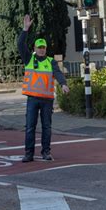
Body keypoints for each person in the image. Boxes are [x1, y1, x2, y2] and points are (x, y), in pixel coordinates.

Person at [18, 14, 70, 162]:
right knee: (30, 127)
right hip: (33, 99)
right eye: (39, 47)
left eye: (43, 47)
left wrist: (63, 84)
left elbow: (58, 73)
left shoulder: (51, 62)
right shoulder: (29, 59)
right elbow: (20, 44)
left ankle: (46, 152)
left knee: (46, 128)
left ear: (45, 48)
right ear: (34, 48)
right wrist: (25, 29)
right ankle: (29, 154)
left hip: (47, 100)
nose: (41, 50)